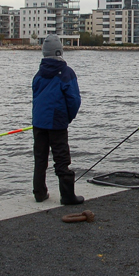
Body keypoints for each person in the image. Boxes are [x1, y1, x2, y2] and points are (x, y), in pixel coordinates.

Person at [32, 34, 84, 205]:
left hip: (39, 122)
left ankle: (39, 193)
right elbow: (74, 99)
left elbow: (36, 97)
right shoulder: (66, 73)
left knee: (40, 158)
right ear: (60, 51)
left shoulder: (38, 74)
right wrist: (68, 117)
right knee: (61, 158)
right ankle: (67, 195)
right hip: (57, 121)